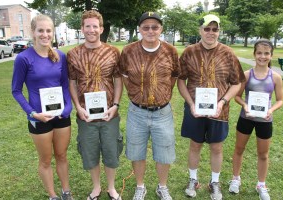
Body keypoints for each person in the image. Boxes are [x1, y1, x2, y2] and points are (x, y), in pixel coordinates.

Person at [177, 14, 246, 200]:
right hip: (195, 110)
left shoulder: (228, 53)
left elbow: (237, 82)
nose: (210, 32)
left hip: (219, 110)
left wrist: (222, 102)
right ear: (200, 30)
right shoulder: (190, 52)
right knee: (195, 144)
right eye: (207, 29)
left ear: (219, 31)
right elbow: (180, 80)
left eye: (214, 29)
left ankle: (214, 182)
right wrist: (191, 104)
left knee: (216, 147)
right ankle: (193, 179)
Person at [11, 14, 73, 200]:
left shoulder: (59, 56)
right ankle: (53, 196)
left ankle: (66, 192)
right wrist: (32, 113)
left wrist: (68, 108)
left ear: (52, 33)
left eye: (48, 31)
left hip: (61, 117)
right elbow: (16, 90)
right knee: (46, 160)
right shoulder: (23, 58)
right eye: (41, 30)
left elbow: (65, 84)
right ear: (33, 32)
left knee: (61, 156)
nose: (45, 34)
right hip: (39, 118)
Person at [119, 12, 180, 200]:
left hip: (162, 112)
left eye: (155, 27)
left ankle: (162, 187)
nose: (150, 30)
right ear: (140, 29)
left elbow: (174, 77)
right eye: (146, 27)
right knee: (137, 150)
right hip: (137, 111)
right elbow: (125, 78)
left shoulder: (170, 51)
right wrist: (139, 95)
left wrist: (160, 94)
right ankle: (140, 186)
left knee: (165, 151)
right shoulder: (129, 51)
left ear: (161, 29)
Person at [67, 10, 123, 200]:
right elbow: (72, 82)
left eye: (95, 26)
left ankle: (112, 188)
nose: (91, 30)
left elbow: (118, 80)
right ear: (82, 28)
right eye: (87, 26)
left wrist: (115, 104)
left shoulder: (113, 52)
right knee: (90, 152)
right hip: (86, 115)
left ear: (101, 28)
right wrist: (78, 107)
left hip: (109, 114)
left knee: (111, 151)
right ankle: (97, 187)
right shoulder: (73, 54)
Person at [228, 39, 283, 200]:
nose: (262, 56)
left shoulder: (276, 77)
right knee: (239, 150)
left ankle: (261, 184)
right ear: (254, 54)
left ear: (271, 55)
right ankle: (235, 179)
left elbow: (280, 100)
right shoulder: (246, 75)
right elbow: (237, 96)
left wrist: (271, 109)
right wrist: (245, 105)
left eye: (266, 53)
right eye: (259, 53)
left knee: (263, 154)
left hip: (265, 120)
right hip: (246, 118)